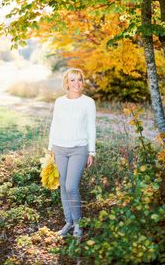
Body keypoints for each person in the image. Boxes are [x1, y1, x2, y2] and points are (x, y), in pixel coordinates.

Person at [48, 68, 96, 238]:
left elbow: (91, 127)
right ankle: (68, 222)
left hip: (79, 148)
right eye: (72, 80)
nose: (76, 83)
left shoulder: (88, 102)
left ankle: (78, 224)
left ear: (83, 82)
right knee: (63, 186)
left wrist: (91, 151)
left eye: (79, 80)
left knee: (71, 186)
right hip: (59, 148)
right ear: (66, 83)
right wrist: (50, 148)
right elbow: (55, 124)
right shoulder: (59, 102)